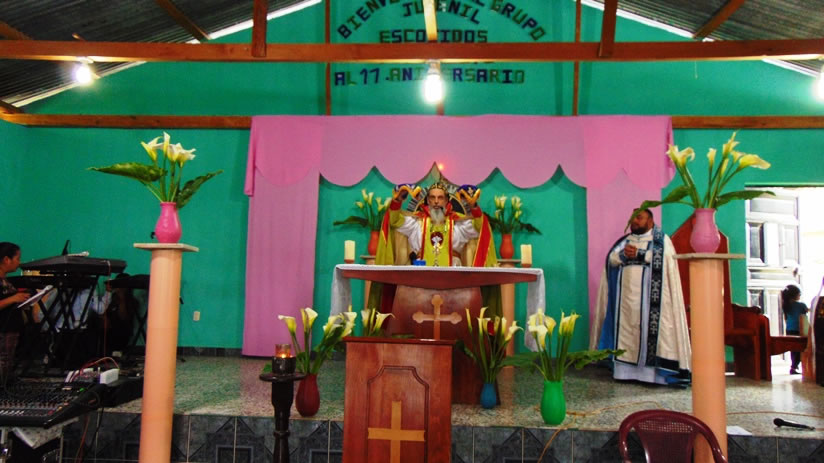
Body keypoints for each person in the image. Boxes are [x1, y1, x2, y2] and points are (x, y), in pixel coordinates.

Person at [590, 209, 692, 385]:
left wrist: (641, 254)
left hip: (651, 302)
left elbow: (666, 260)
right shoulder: (625, 241)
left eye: (639, 218)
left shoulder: (661, 241)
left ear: (650, 221)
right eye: (632, 218)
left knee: (648, 333)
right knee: (627, 332)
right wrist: (623, 255)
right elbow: (611, 259)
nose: (634, 221)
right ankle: (625, 373)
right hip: (626, 303)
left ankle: (651, 376)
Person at [376, 181, 497, 267]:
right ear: (428, 200)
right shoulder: (416, 223)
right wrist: (397, 200)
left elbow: (480, 228)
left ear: (446, 200)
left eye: (440, 198)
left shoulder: (458, 224)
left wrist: (473, 206)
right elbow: (393, 221)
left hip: (453, 278)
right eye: (432, 197)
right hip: (420, 277)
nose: (436, 201)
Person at [0, 242, 27, 383]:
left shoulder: (5, 281)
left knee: (8, 362)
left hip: (11, 329)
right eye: (17, 258)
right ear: (6, 259)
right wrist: (13, 299)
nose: (19, 262)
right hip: (3, 330)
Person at [781, 284, 809, 375]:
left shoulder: (786, 306)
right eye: (799, 294)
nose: (800, 295)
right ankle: (797, 366)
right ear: (795, 295)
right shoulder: (801, 305)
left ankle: (793, 367)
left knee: (793, 350)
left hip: (789, 330)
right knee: (800, 348)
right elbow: (807, 312)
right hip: (799, 329)